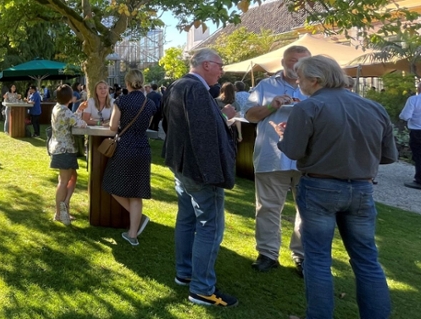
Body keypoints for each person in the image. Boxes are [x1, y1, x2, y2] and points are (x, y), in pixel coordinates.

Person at [277, 55, 397, 319]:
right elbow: (389, 156)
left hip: (320, 188)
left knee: (318, 259)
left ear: (315, 80)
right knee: (367, 259)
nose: (298, 83)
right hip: (362, 190)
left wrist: (284, 137)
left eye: (300, 78)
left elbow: (293, 151)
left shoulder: (307, 108)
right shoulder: (374, 108)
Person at [162, 48, 239, 307]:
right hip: (199, 171)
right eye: (220, 65)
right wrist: (214, 175)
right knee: (210, 226)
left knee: (186, 220)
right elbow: (203, 137)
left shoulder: (178, 85)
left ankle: (185, 273)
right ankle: (202, 289)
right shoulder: (194, 89)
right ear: (206, 65)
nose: (222, 70)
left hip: (183, 167)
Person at [243, 45, 311, 275]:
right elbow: (250, 116)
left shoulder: (316, 88)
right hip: (272, 157)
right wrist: (272, 105)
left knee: (308, 210)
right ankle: (268, 254)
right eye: (292, 60)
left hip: (308, 159)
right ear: (283, 62)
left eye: (302, 61)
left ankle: (302, 256)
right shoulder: (266, 86)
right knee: (268, 208)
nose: (297, 65)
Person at [102, 70, 158, 245]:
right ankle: (132, 235)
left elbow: (112, 127)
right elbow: (146, 125)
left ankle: (139, 220)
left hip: (125, 148)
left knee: (110, 184)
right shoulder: (149, 104)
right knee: (136, 192)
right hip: (143, 149)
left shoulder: (121, 101)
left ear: (127, 83)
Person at [48, 84, 87, 225]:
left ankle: (64, 206)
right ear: (70, 97)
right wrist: (81, 114)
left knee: (71, 177)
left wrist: (79, 110)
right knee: (64, 181)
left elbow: (71, 119)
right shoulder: (65, 110)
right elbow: (80, 124)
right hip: (65, 149)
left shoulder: (58, 108)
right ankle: (60, 213)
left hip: (58, 147)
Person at [400, 83, 421, 190]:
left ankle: (420, 180)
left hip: (417, 130)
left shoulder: (414, 100)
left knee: (419, 155)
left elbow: (405, 115)